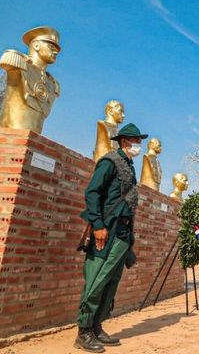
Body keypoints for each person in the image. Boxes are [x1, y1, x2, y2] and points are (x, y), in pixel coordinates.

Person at [75, 123, 148, 353]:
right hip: (107, 230)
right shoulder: (110, 161)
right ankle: (84, 331)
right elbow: (92, 192)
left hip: (123, 232)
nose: (139, 145)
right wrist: (97, 224)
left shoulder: (129, 164)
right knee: (97, 279)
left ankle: (97, 326)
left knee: (111, 281)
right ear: (125, 141)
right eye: (136, 141)